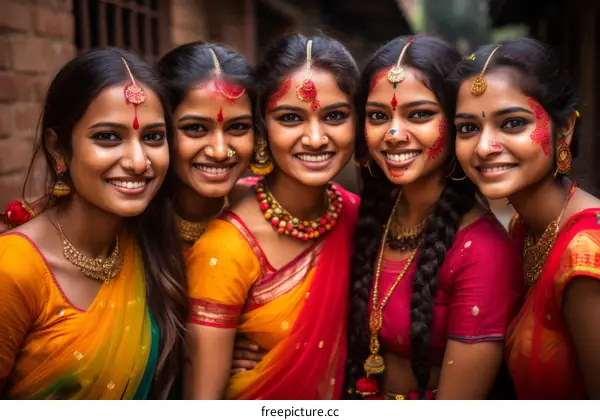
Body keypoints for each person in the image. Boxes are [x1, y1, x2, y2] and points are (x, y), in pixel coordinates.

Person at [0, 48, 187, 399]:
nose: (137, 161)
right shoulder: (13, 268)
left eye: (153, 137)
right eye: (107, 137)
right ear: (58, 148)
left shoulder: (144, 241)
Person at [346, 36, 524, 400]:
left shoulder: (482, 251)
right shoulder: (370, 217)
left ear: (457, 123)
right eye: (378, 116)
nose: (394, 134)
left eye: (420, 114)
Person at [184, 33, 360, 399]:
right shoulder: (227, 247)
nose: (315, 138)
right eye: (290, 118)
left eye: (335, 116)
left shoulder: (359, 217)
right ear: (262, 126)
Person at [447, 38, 600, 399]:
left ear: (564, 130)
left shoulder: (586, 256)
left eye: (512, 123)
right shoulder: (524, 229)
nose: (484, 147)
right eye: (468, 128)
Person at [157, 42, 256, 250]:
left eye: (238, 127)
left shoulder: (266, 218)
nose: (219, 152)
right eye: (195, 128)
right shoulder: (125, 227)